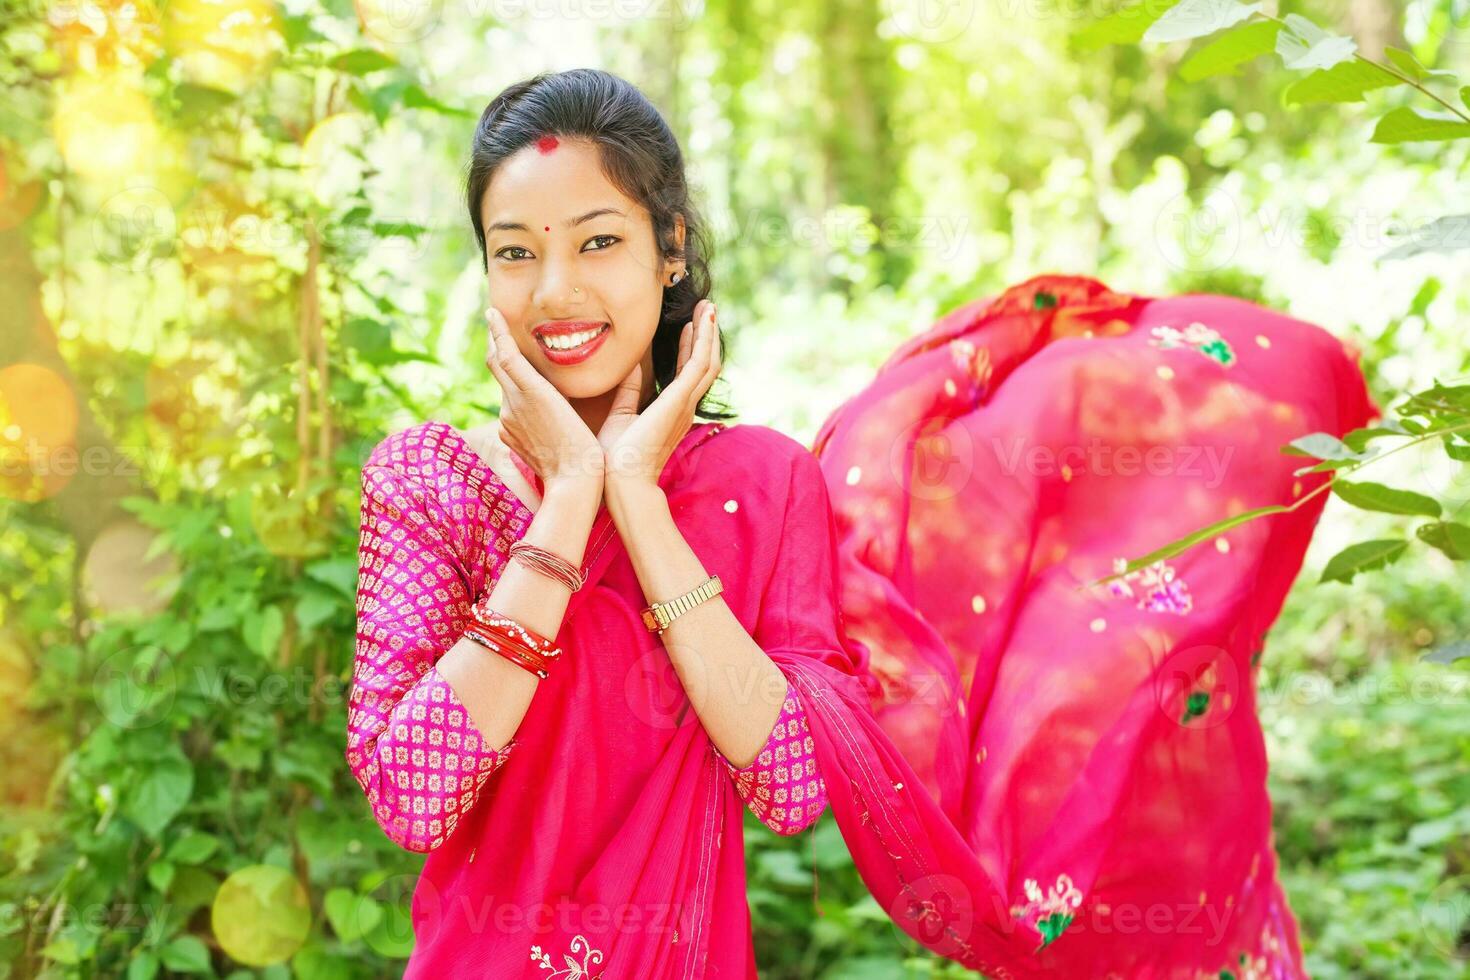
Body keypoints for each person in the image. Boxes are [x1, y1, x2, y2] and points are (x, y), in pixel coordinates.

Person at [345, 68, 1378, 978]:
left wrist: (637, 501)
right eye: (515, 251)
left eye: (599, 241)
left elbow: (789, 781)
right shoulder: (429, 481)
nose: (555, 289)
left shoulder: (761, 481)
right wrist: (568, 501)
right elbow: (412, 795)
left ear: (669, 252)